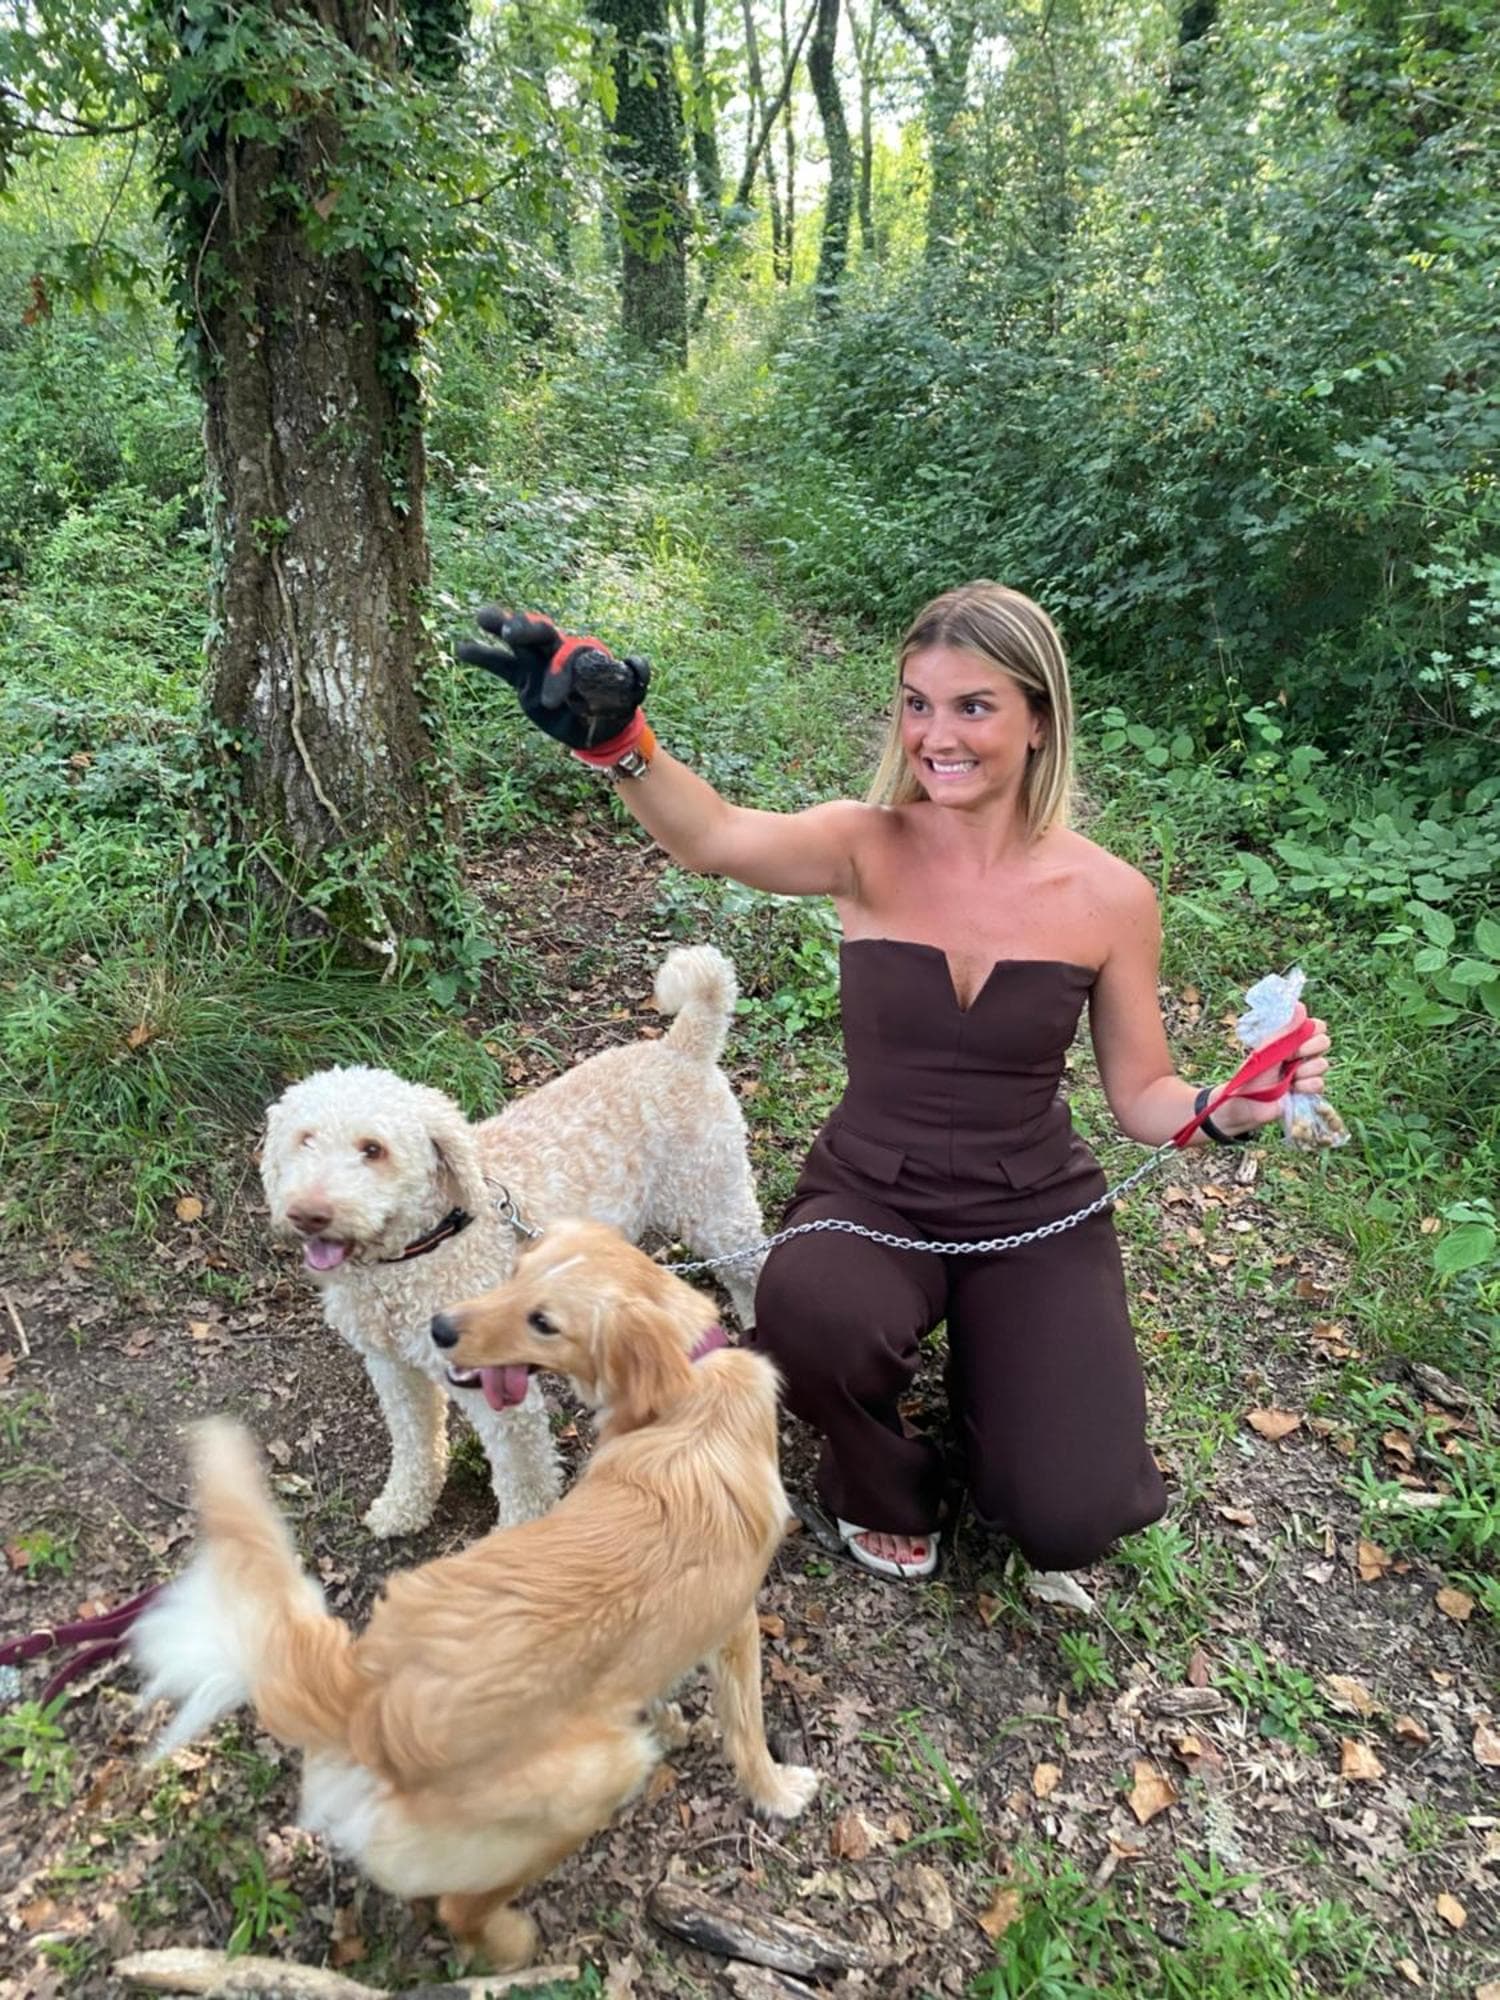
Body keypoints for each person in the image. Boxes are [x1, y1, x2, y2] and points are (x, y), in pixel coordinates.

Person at [459, 585, 1333, 1582]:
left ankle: (1000, 1391)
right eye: (918, 704)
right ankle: (876, 1476)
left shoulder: (1111, 896)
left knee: (1070, 1511)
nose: (936, 735)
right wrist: (620, 743)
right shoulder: (864, 843)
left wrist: (1228, 1108)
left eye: (973, 706)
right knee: (812, 1313)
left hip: (1032, 1205)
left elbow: (1144, 1095)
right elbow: (712, 835)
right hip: (873, 1187)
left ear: (1039, 718)